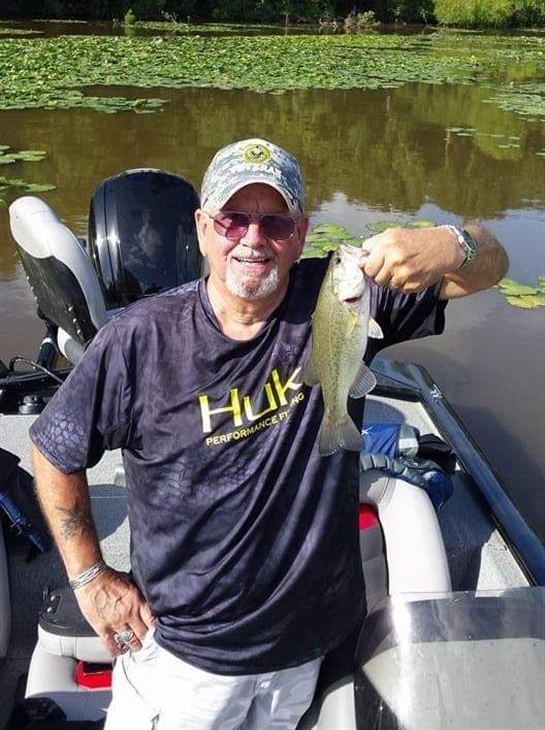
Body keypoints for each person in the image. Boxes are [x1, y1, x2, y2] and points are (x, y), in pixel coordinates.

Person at [30, 137, 508, 730]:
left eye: (275, 222)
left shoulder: (337, 296)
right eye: (233, 218)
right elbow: (54, 449)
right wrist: (89, 577)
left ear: (301, 233)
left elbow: (493, 265)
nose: (253, 238)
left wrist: (451, 244)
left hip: (303, 651)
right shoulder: (139, 341)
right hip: (186, 663)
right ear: (204, 228)